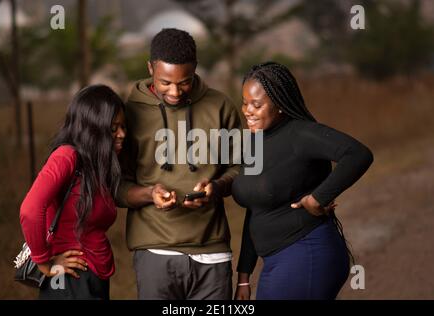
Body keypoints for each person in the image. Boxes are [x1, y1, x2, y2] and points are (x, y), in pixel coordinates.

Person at [116, 28, 241, 300]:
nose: (174, 91)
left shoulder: (221, 106)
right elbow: (116, 185)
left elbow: (243, 167)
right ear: (150, 68)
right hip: (155, 250)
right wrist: (150, 194)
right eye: (165, 83)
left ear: (195, 69)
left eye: (183, 82)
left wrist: (217, 187)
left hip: (212, 250)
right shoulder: (129, 112)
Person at [232, 62, 374, 300]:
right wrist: (244, 276)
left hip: (305, 253)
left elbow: (358, 154)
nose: (247, 110)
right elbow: (256, 209)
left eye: (256, 104)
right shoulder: (255, 143)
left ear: (279, 105)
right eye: (245, 102)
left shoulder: (301, 134)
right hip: (277, 261)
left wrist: (318, 198)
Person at [20, 85, 126, 299]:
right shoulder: (67, 157)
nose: (122, 134)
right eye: (113, 128)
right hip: (68, 278)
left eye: (123, 127)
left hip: (92, 276)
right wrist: (43, 261)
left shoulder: (95, 165)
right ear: (93, 127)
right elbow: (30, 209)